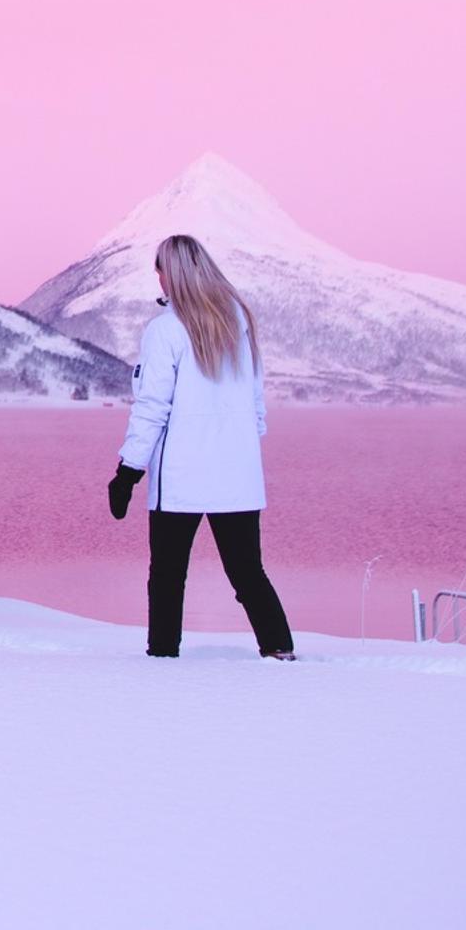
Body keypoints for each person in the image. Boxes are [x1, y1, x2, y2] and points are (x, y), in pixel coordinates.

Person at [106, 233, 296, 660]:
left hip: (180, 480)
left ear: (169, 274)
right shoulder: (239, 322)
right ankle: (281, 652)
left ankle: (163, 657)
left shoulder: (166, 331)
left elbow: (152, 407)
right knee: (248, 572)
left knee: (168, 575)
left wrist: (128, 471)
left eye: (159, 270)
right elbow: (255, 402)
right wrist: (241, 445)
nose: (157, 279)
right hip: (237, 474)